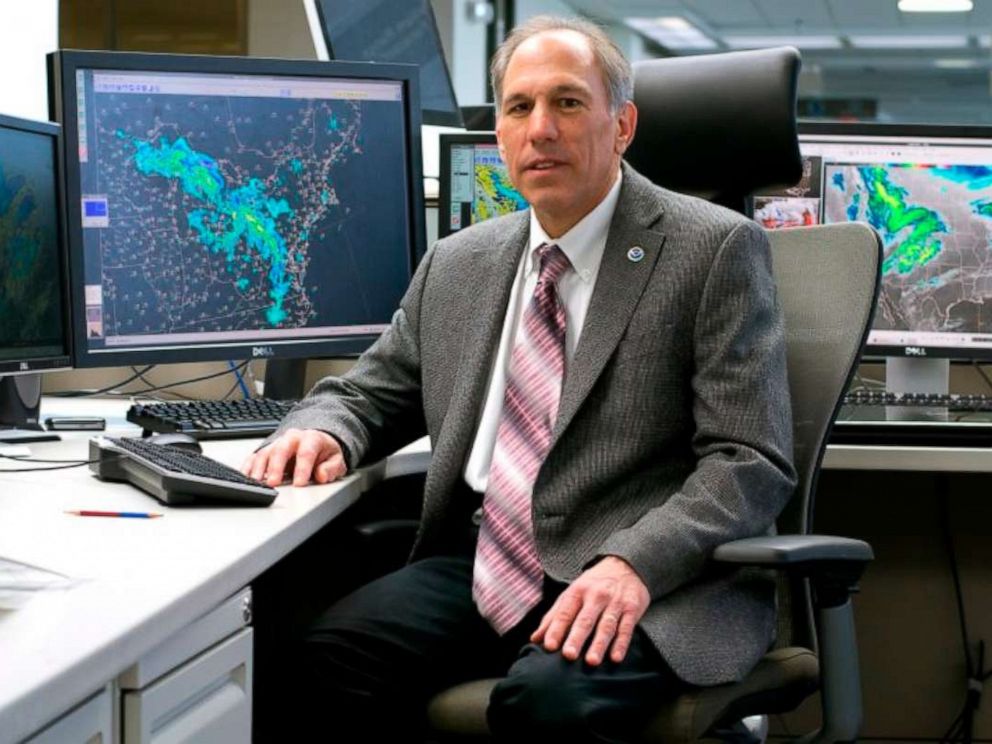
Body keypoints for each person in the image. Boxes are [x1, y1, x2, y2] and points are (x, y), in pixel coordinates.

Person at [242, 14, 797, 743]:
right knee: (320, 662)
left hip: (644, 577)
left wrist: (634, 561)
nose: (541, 129)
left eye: (568, 103)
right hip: (483, 566)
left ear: (622, 125)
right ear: (498, 137)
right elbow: (372, 391)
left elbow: (748, 460)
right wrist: (322, 426)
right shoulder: (461, 262)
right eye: (519, 107)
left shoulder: (712, 249)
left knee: (548, 703)